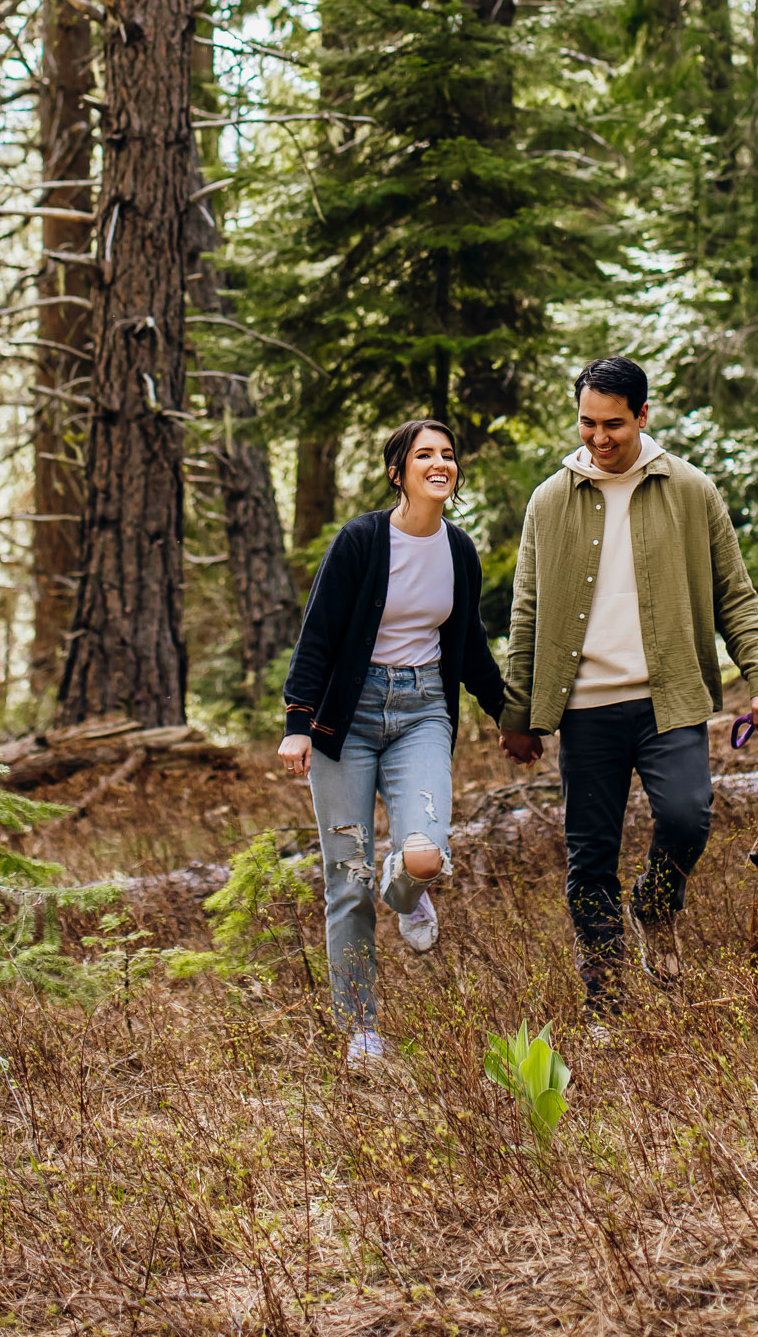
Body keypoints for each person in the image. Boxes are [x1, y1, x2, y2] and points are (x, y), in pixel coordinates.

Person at [498, 356, 758, 1015]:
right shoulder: (549, 499)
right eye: (587, 424)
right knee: (589, 856)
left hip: (669, 697)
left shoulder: (690, 490)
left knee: (687, 817)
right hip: (585, 709)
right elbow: (525, 610)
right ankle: (605, 1002)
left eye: (613, 426)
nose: (598, 439)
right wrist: (519, 712)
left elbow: (733, 595)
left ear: (642, 416)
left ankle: (655, 903)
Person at [278, 418, 506, 1071]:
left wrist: (507, 717)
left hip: (421, 711)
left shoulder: (459, 550)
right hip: (342, 723)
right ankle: (361, 1030)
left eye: (447, 455)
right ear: (396, 472)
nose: (439, 463)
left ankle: (404, 890)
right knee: (346, 881)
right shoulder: (359, 540)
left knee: (425, 856)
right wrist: (298, 722)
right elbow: (317, 631)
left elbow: (468, 647)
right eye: (423, 455)